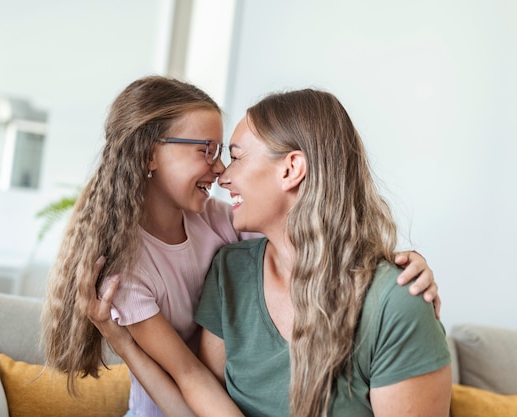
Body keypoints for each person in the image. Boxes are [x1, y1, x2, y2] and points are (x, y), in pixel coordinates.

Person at [43, 75, 440, 417]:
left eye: (229, 156)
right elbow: (189, 377)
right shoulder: (131, 271)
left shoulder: (220, 225)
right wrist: (118, 339)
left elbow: (321, 239)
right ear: (149, 154)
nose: (221, 172)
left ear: (291, 169)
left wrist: (397, 267)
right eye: (209, 151)